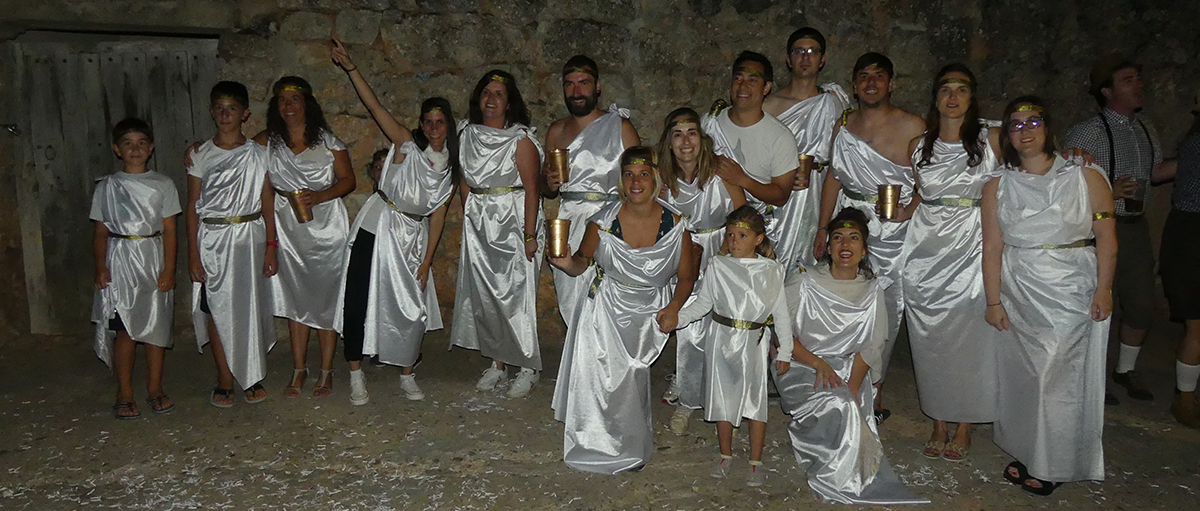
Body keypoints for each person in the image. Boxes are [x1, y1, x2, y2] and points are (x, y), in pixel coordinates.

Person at [982, 96, 1116, 496]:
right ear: (1007, 135)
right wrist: (993, 301)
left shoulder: (1085, 175)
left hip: (1070, 286)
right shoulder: (997, 185)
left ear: (1048, 127)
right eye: (1016, 124)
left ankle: (1054, 463)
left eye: (1033, 122)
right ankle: (1031, 450)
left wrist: (1104, 288)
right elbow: (992, 247)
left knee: (1058, 377)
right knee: (1027, 377)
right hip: (1019, 288)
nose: (1025, 131)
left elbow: (1107, 237)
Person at [549, 146, 696, 474]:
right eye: (628, 174)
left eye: (643, 174)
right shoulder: (604, 221)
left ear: (655, 179)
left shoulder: (675, 225)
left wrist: (674, 307)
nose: (635, 181)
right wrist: (566, 263)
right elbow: (582, 262)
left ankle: (628, 449)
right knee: (599, 379)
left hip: (648, 312)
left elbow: (687, 276)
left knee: (631, 379)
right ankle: (592, 445)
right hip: (605, 308)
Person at [774, 208, 927, 505]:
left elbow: (872, 345)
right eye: (838, 238)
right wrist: (819, 363)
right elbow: (782, 336)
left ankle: (845, 467)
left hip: (850, 367)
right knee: (838, 403)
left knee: (845, 401)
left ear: (864, 250)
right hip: (800, 364)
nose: (845, 244)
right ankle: (830, 474)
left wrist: (853, 389)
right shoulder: (804, 281)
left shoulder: (872, 289)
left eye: (854, 238)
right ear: (828, 248)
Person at [330, 41, 454, 404]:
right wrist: (351, 68)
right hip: (377, 225)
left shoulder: (450, 168)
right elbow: (375, 107)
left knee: (411, 306)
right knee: (357, 298)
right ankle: (355, 374)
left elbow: (438, 215)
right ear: (421, 125)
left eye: (439, 121)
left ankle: (406, 373)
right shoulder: (405, 145)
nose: (433, 127)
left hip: (411, 236)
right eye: (427, 121)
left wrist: (427, 260)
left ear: (448, 125)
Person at [815, 53, 926, 420]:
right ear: (855, 85)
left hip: (891, 229)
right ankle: (843, 377)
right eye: (864, 76)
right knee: (847, 299)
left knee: (887, 308)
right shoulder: (845, 125)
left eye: (879, 76)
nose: (871, 82)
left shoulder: (913, 125)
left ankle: (874, 389)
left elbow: (931, 179)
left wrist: (908, 210)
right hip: (848, 220)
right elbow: (834, 177)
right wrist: (822, 227)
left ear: (891, 83)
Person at [902, 64, 1003, 461]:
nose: (953, 96)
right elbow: (921, 193)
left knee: (972, 338)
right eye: (946, 88)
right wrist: (902, 212)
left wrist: (1076, 155)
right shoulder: (918, 145)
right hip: (925, 249)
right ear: (936, 96)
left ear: (972, 97)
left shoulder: (991, 139)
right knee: (930, 338)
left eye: (962, 89)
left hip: (973, 243)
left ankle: (965, 423)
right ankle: (939, 419)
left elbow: (1036, 156)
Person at [1063, 55, 1177, 404]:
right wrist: (1108, 191)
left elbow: (1155, 173)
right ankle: (1089, 374)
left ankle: (1124, 369)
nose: (1139, 84)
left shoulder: (1144, 128)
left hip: (1134, 226)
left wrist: (1188, 161)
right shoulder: (1088, 132)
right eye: (1128, 80)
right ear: (1107, 90)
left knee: (1141, 304)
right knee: (1094, 303)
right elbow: (1064, 185)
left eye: (1137, 78)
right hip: (1096, 227)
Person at [657, 205, 791, 487]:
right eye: (730, 235)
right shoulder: (718, 266)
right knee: (722, 397)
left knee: (755, 400)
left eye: (742, 235)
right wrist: (677, 319)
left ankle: (755, 461)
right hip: (721, 339)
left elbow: (781, 315)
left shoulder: (771, 271)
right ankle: (725, 454)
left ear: (758, 239)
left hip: (753, 343)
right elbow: (703, 305)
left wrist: (786, 351)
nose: (734, 241)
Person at [252, 76, 356, 399]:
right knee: (295, 297)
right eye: (282, 100)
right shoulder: (267, 142)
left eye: (294, 99)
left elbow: (348, 180)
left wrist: (320, 196)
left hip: (327, 228)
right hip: (287, 227)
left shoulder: (327, 141)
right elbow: (232, 152)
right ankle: (299, 369)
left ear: (306, 104)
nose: (288, 106)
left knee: (326, 298)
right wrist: (197, 150)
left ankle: (326, 370)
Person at [449, 69, 545, 398]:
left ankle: (528, 367)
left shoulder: (520, 139)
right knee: (487, 296)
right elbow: (464, 180)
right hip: (480, 222)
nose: (491, 99)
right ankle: (498, 363)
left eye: (499, 94)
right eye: (486, 92)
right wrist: (470, 218)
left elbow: (532, 189)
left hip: (513, 221)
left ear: (509, 103)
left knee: (517, 296)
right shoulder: (466, 135)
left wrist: (529, 235)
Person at [186, 81, 279, 408]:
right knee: (216, 308)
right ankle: (224, 377)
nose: (225, 115)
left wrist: (271, 245)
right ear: (212, 112)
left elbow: (267, 201)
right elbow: (192, 206)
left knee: (248, 306)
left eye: (232, 109)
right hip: (213, 240)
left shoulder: (258, 154)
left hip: (249, 237)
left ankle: (251, 375)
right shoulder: (200, 154)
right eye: (220, 109)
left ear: (245, 114)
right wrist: (193, 254)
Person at [656, 108, 747, 433]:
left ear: (702, 138)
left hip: (721, 250)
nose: (685, 141)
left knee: (723, 328)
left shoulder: (720, 173)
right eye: (678, 134)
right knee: (690, 327)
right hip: (682, 255)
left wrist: (731, 255)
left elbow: (743, 216)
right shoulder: (663, 179)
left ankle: (720, 390)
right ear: (669, 142)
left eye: (691, 132)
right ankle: (689, 398)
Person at [91, 117, 181, 419]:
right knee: (124, 329)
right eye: (128, 144)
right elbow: (100, 231)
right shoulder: (107, 187)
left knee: (156, 327)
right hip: (121, 261)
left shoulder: (163, 184)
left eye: (141, 143)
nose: (135, 149)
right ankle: (124, 391)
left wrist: (169, 269)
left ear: (151, 147)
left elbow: (170, 229)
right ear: (117, 149)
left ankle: (155, 387)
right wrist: (100, 267)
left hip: (152, 258)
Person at [542, 55, 640, 329]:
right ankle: (579, 353)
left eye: (583, 83)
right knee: (572, 299)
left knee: (609, 300)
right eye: (569, 84)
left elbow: (641, 182)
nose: (576, 91)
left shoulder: (620, 127)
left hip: (610, 221)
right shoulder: (556, 131)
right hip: (570, 222)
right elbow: (547, 190)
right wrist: (549, 183)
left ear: (598, 87)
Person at [763, 27, 851, 272]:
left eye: (812, 51)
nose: (805, 57)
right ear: (788, 58)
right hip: (781, 194)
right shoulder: (769, 105)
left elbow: (844, 157)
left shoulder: (833, 102)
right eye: (799, 51)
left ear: (822, 60)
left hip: (820, 193)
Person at [703, 51, 799, 245]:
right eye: (738, 78)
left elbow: (781, 195)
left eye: (752, 80)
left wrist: (742, 180)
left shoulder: (780, 137)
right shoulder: (710, 123)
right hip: (709, 225)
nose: (743, 86)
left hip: (754, 232)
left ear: (766, 88)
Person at [1159, 87, 1200, 428]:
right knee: (1197, 324)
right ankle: (1184, 398)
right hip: (1191, 234)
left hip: (1187, 230)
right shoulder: (1197, 142)